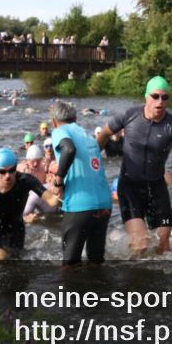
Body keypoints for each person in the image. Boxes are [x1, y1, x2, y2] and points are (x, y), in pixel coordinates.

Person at [96, 76, 172, 256]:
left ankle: (156, 273)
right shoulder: (129, 115)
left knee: (163, 245)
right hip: (130, 187)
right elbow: (103, 135)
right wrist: (92, 164)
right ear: (146, 97)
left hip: (156, 187)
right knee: (142, 244)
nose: (160, 101)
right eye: (155, 96)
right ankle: (129, 270)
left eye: (165, 97)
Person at [0, 148, 61, 260]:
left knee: (15, 262)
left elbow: (52, 200)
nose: (8, 175)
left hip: (16, 229)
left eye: (12, 170)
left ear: (16, 167)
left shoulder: (26, 181)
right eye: (3, 172)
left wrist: (59, 186)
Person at [50, 101, 114, 265]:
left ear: (54, 122)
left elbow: (69, 149)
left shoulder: (59, 131)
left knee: (69, 265)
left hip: (80, 204)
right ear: (76, 118)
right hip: (104, 204)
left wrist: (58, 180)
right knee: (96, 261)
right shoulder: (88, 135)